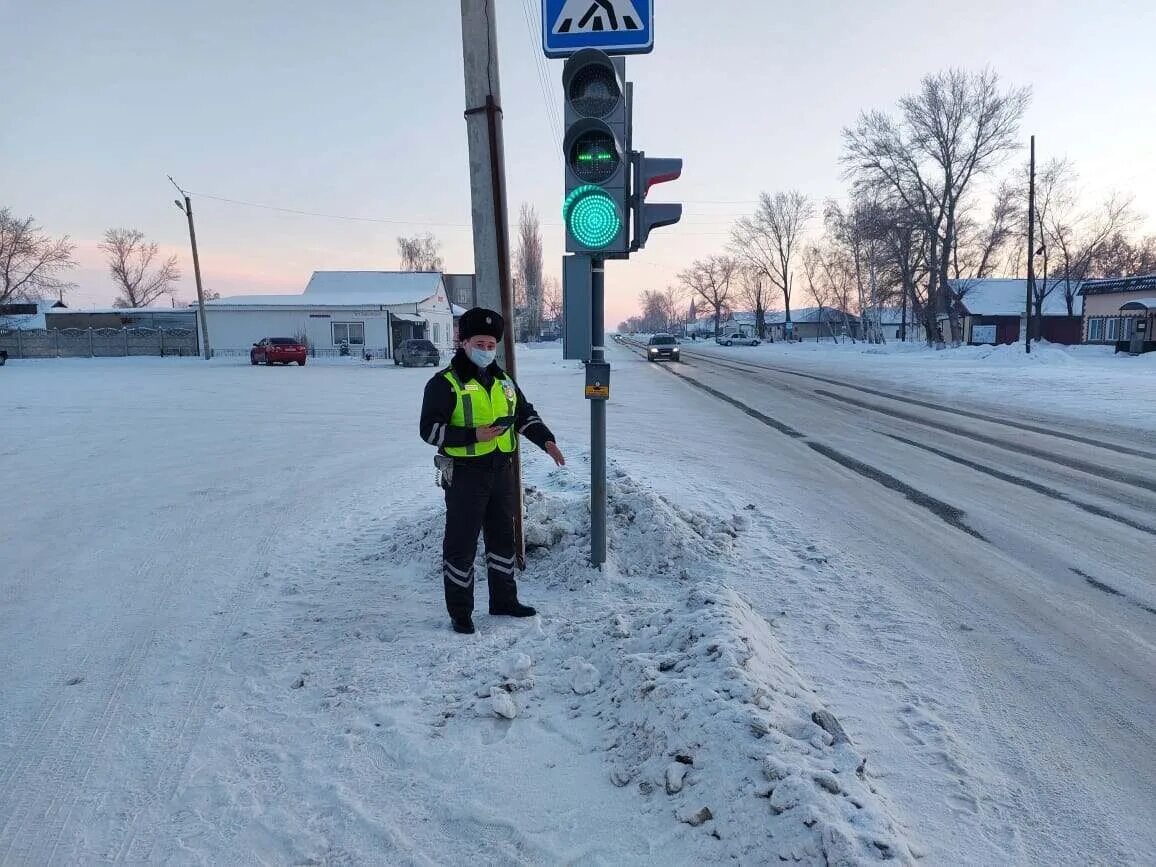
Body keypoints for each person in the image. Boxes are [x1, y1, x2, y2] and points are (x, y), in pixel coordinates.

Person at [419, 308, 565, 635]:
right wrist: (473, 435)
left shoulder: (504, 380)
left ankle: (504, 600)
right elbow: (429, 431)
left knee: (502, 539)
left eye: (491, 344)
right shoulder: (445, 383)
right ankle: (461, 613)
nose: (486, 350)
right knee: (461, 544)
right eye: (480, 343)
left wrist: (547, 441)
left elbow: (523, 415)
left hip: (501, 472)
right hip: (465, 474)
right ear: (464, 342)